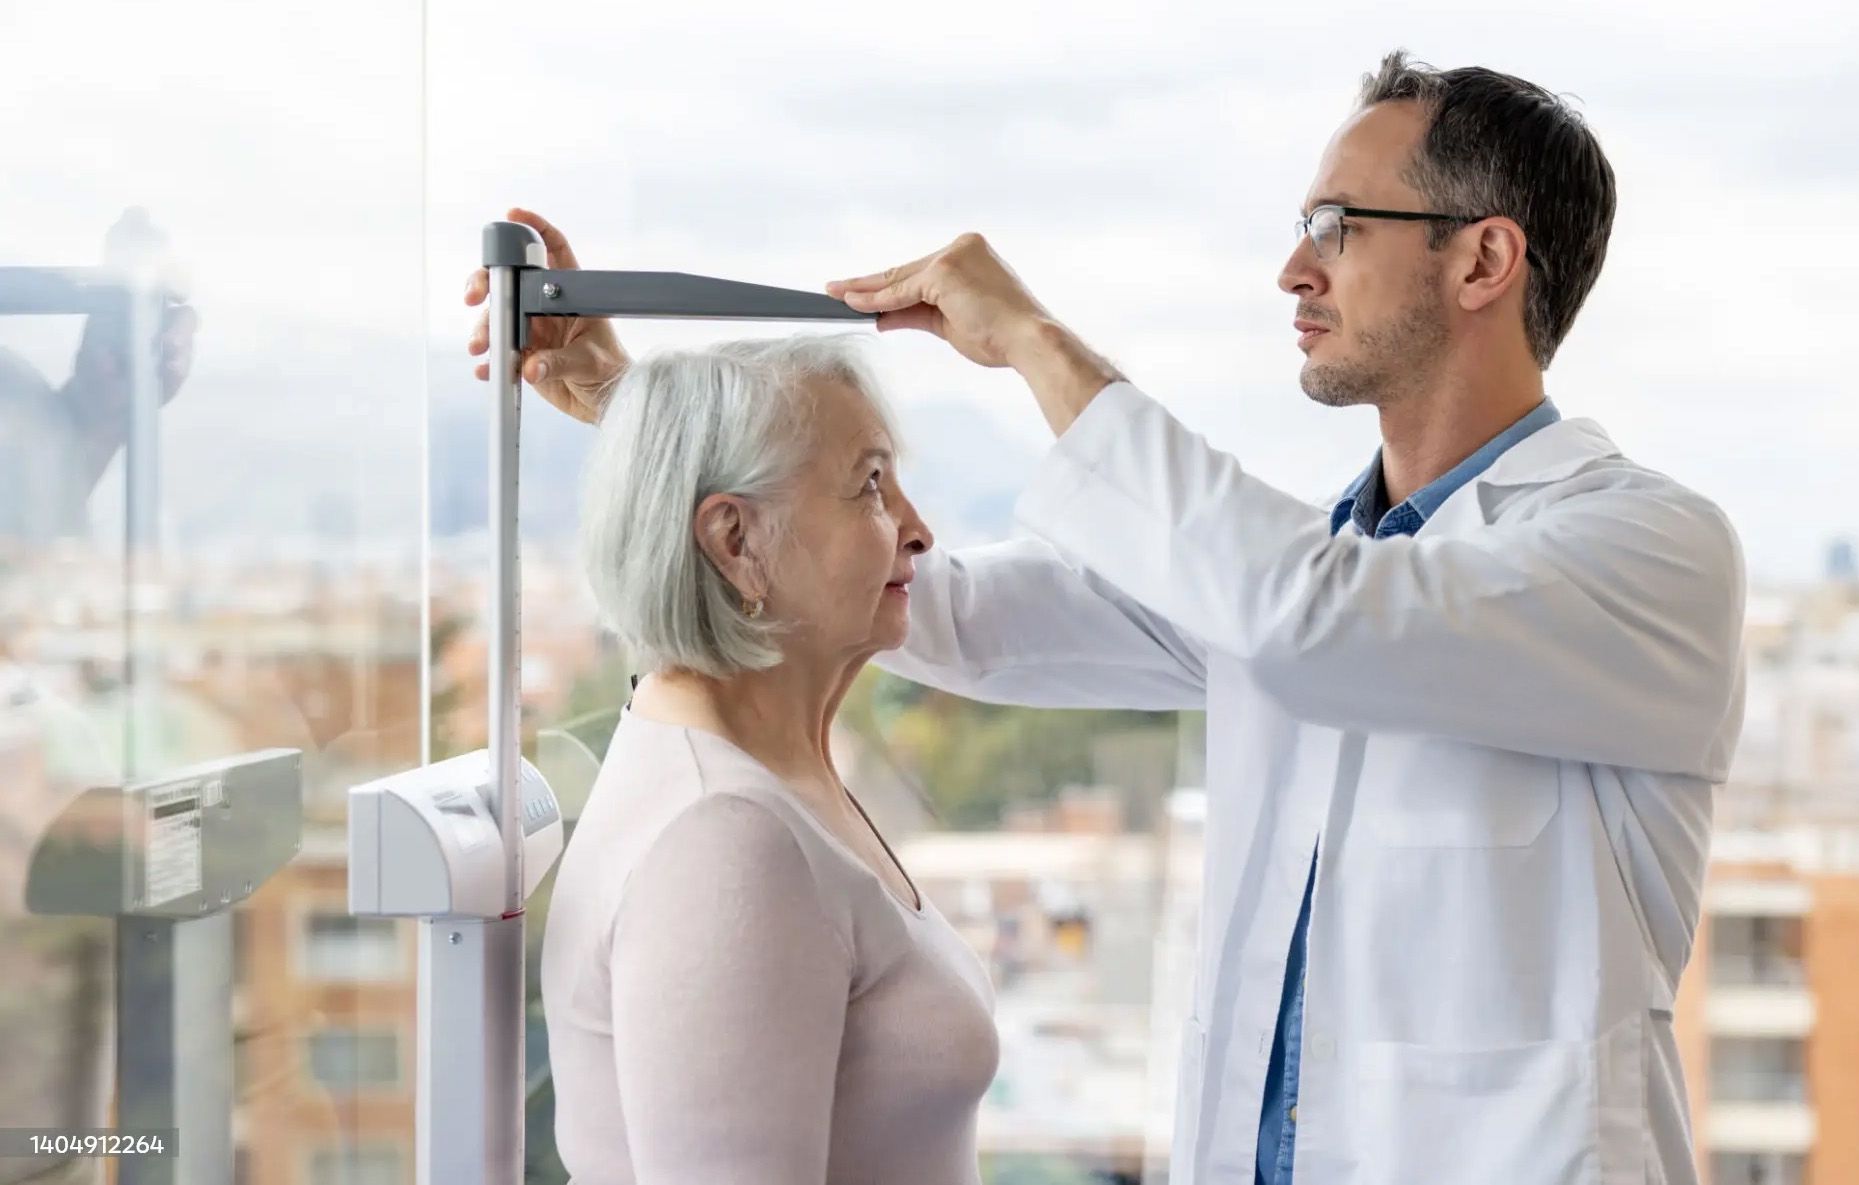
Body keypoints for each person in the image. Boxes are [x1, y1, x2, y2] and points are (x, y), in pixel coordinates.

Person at [472, 48, 1745, 1184]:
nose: (1294, 268)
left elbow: (1323, 623)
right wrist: (645, 418)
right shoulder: (1304, 574)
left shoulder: (1644, 560)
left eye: (1340, 227)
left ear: (1482, 260)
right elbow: (933, 602)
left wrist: (1032, 341)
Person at [534, 337, 1000, 1185]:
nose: (918, 530)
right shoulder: (723, 842)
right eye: (871, 484)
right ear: (735, 540)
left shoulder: (764, 775)